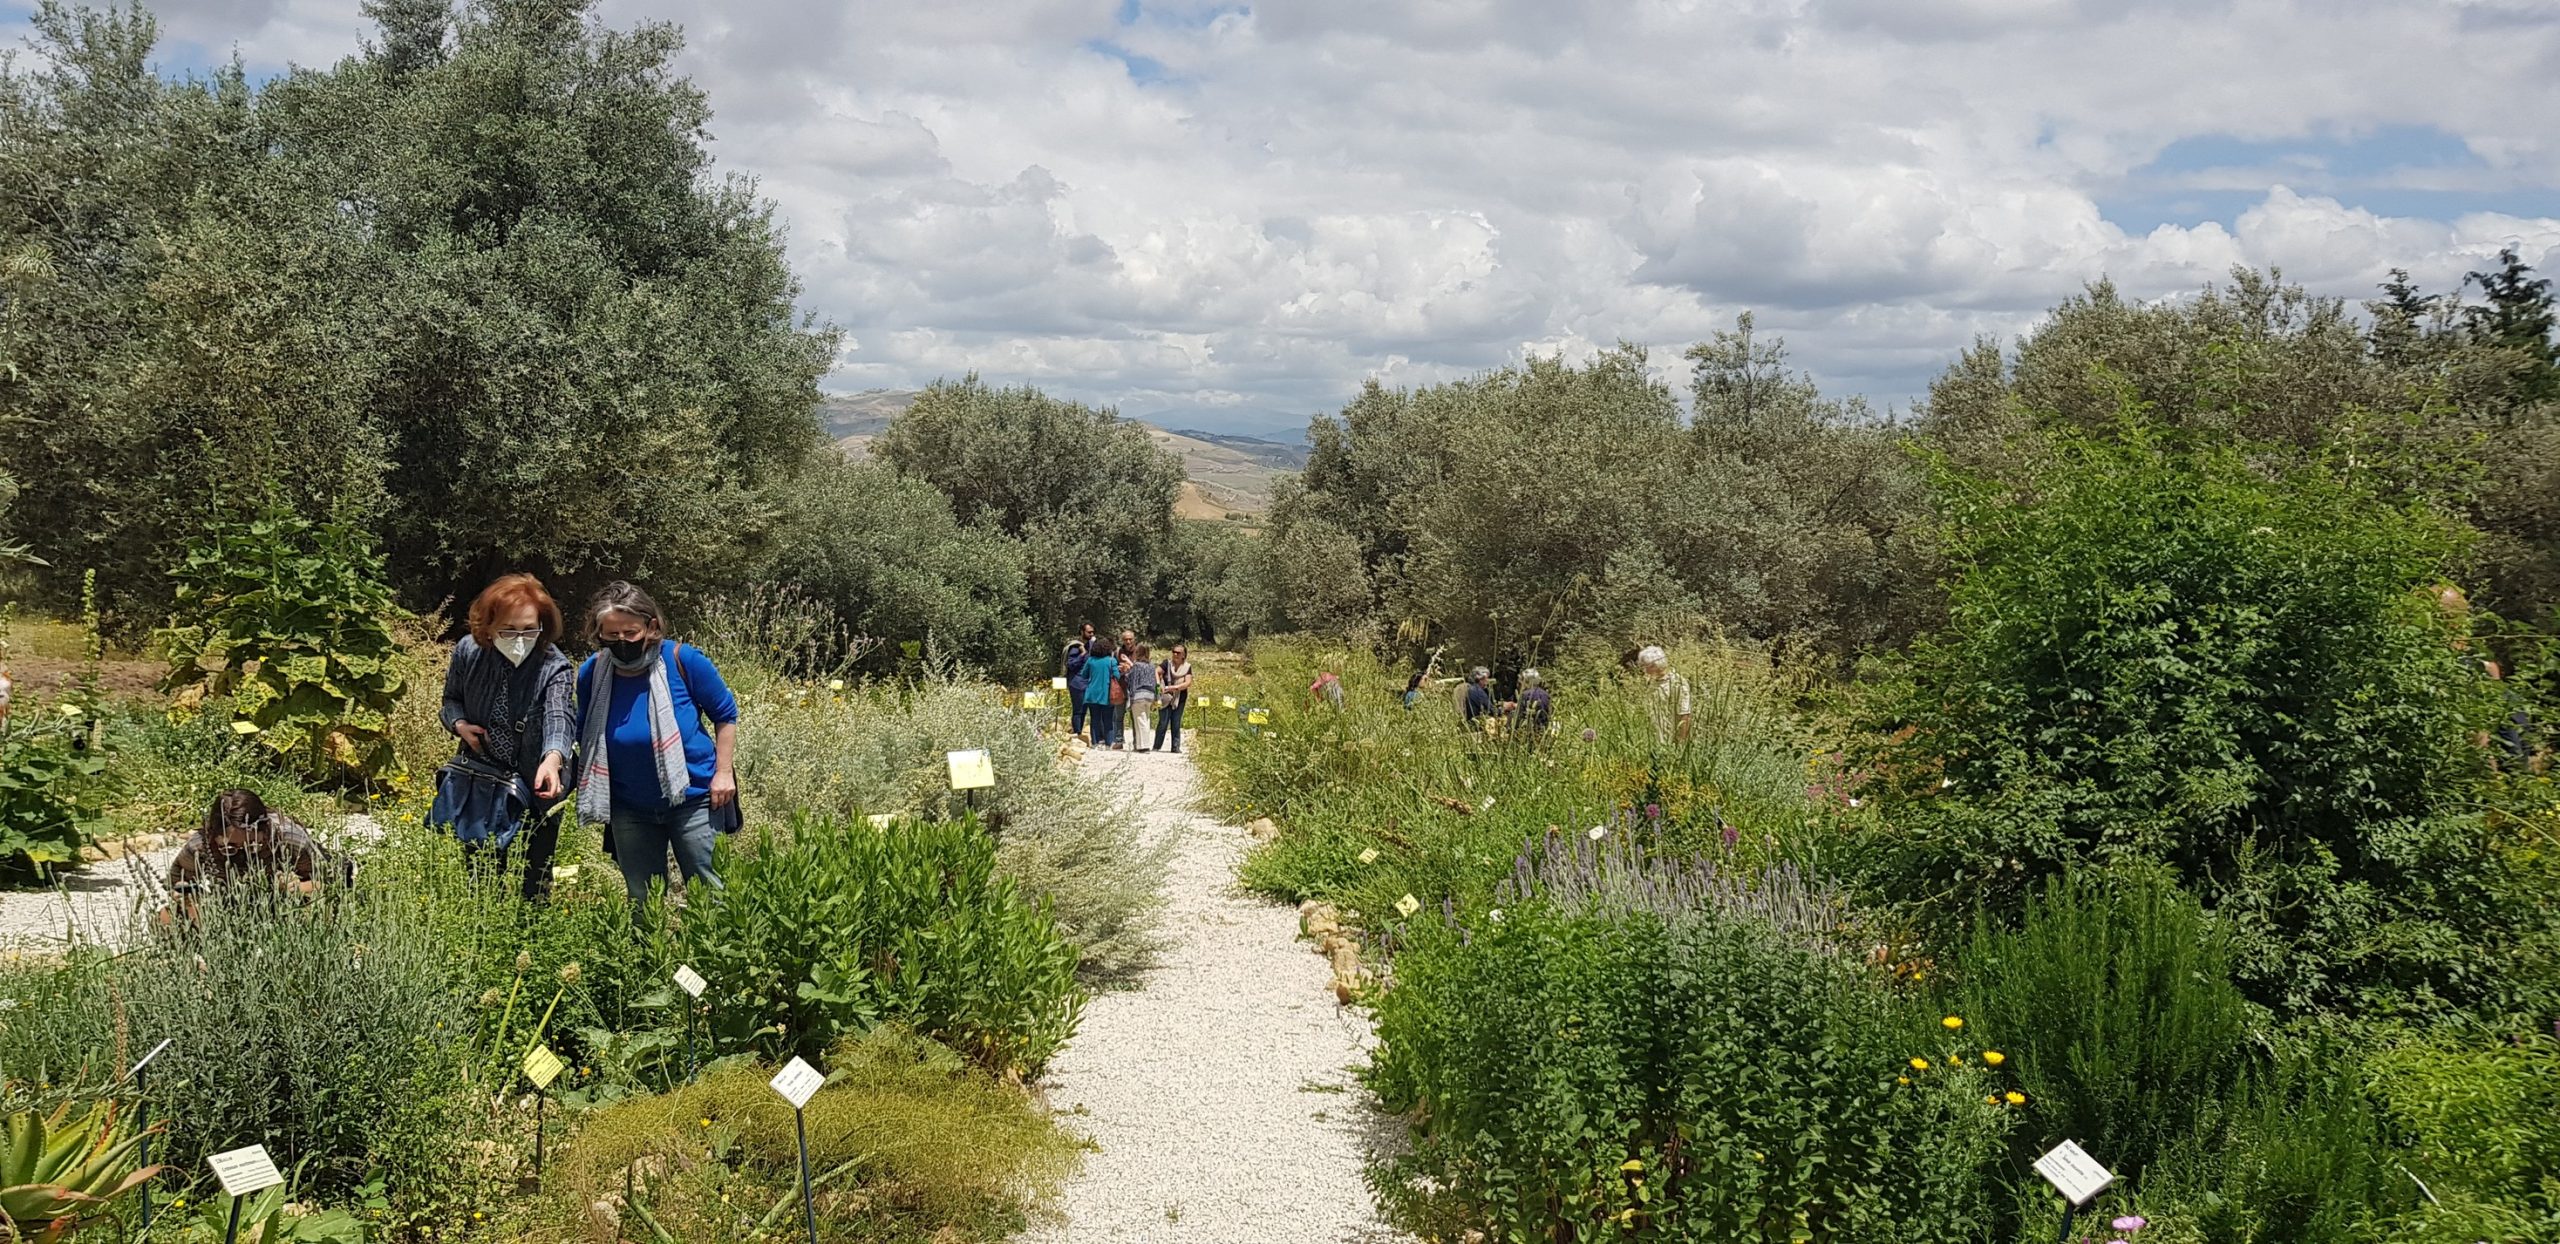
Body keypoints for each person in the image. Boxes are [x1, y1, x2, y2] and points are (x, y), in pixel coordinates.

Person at [573, 582, 739, 920]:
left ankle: (719, 966)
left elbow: (725, 715)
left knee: (709, 889)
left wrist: (723, 773)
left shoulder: (683, 660)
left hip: (694, 798)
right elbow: (584, 729)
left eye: (630, 632)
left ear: (651, 625)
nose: (622, 641)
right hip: (628, 805)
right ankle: (648, 965)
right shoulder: (593, 672)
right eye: (611, 634)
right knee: (642, 895)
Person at [432, 573, 575, 899]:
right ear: (488, 627)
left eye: (529, 629)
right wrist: (459, 725)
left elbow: (559, 717)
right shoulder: (469, 652)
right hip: (483, 777)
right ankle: (482, 938)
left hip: (539, 781)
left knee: (535, 876)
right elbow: (451, 700)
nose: (520, 639)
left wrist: (552, 759)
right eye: (509, 630)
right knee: (481, 873)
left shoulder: (554, 666)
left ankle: (532, 938)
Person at [161, 789, 331, 925]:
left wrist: (295, 888)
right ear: (213, 835)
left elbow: (327, 881)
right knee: (165, 918)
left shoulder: (290, 837)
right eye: (230, 848)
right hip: (226, 906)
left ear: (265, 832)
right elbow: (177, 883)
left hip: (283, 906)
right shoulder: (200, 846)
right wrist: (190, 899)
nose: (244, 855)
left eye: (252, 846)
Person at [1640, 645, 1692, 744]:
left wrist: (1681, 743)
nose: (1644, 670)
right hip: (1651, 740)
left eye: (1645, 666)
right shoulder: (1652, 681)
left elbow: (1685, 714)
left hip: (1668, 741)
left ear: (1655, 665)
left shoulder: (1678, 683)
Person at [1154, 644, 1193, 752]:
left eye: (1178, 652)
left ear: (1183, 655)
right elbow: (1156, 672)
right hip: (1165, 697)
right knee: (1163, 722)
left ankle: (1175, 747)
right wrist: (1158, 685)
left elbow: (1188, 683)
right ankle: (1156, 746)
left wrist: (1174, 687)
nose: (1175, 654)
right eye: (1174, 652)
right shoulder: (1167, 664)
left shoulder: (1187, 667)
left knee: (1176, 722)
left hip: (1179, 698)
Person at [1081, 638, 1119, 750]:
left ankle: (1095, 742)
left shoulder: (1090, 660)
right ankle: (1109, 743)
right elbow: (1117, 676)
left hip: (1092, 694)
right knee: (1108, 719)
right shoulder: (1111, 661)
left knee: (1094, 719)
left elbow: (1084, 675)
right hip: (1106, 694)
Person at [1125, 643, 1160, 752]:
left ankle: (1143, 745)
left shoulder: (1137, 666)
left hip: (1139, 695)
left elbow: (1132, 681)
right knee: (1146, 719)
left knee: (1140, 720)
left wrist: (1126, 672)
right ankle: (1142, 744)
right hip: (1149, 695)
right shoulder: (1151, 666)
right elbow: (1154, 681)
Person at [1065, 635, 1093, 738]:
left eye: (1093, 632)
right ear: (1082, 632)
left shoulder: (1091, 645)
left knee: (1084, 710)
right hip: (1077, 683)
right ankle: (1077, 733)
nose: (1091, 634)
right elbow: (1071, 664)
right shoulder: (1075, 648)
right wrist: (1083, 654)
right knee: (1078, 710)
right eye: (1089, 632)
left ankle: (1081, 733)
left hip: (1088, 683)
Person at [1512, 668, 1553, 738]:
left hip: (1529, 731)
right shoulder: (1545, 694)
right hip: (1544, 730)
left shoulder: (1525, 695)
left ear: (1527, 681)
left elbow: (1518, 716)